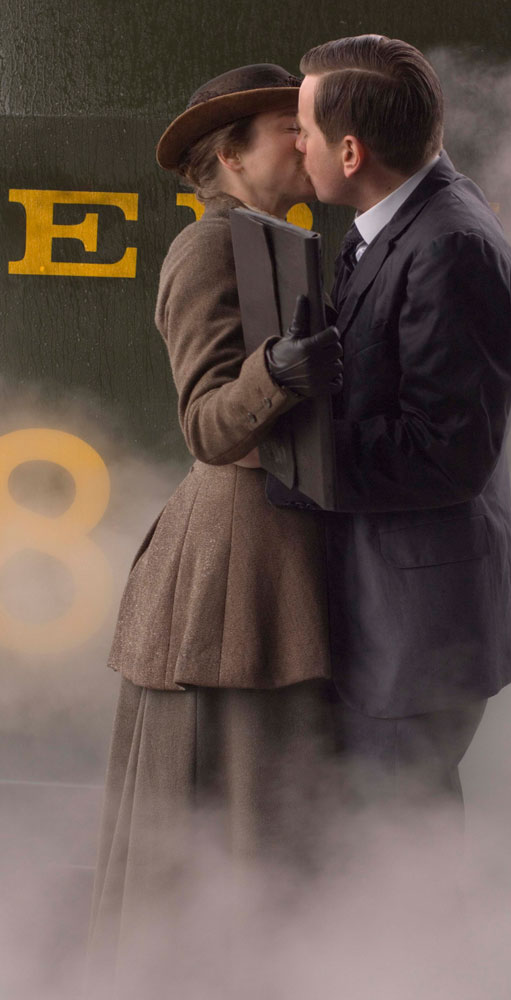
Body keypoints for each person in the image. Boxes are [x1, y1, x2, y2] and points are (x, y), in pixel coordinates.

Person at [87, 64, 342, 996]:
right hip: (229, 573)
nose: (306, 142)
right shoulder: (207, 248)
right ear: (230, 155)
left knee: (266, 816)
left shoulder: (279, 239)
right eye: (287, 128)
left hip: (271, 556)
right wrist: (279, 371)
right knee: (217, 814)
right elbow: (206, 425)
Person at [271, 35, 511, 814]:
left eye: (304, 131)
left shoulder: (449, 246)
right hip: (393, 613)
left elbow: (445, 454)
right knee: (377, 844)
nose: (296, 144)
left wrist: (285, 450)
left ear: (350, 152)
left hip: (416, 634)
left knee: (400, 847)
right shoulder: (399, 221)